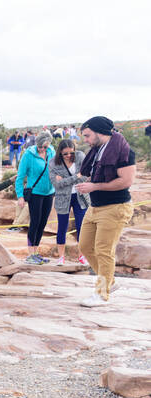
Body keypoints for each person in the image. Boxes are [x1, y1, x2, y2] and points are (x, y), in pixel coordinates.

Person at [75, 116, 136, 307]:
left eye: (87, 135)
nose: (85, 140)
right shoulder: (98, 150)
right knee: (85, 247)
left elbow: (126, 181)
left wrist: (95, 186)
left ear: (99, 131)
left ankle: (102, 294)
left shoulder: (124, 152)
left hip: (115, 208)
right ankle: (110, 281)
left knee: (104, 250)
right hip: (95, 207)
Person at [16, 130, 55, 264]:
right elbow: (20, 177)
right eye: (41, 146)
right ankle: (30, 254)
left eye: (45, 146)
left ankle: (36, 253)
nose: (43, 149)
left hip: (49, 192)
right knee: (35, 222)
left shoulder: (51, 152)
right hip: (35, 194)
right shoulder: (28, 155)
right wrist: (20, 196)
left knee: (43, 223)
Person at [49, 139, 89, 267]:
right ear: (60, 153)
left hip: (80, 196)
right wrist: (76, 176)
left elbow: (86, 175)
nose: (68, 156)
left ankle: (82, 256)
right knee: (62, 227)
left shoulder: (80, 157)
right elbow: (56, 184)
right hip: (62, 198)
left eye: (71, 153)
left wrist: (66, 179)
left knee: (81, 227)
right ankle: (61, 257)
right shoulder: (53, 163)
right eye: (65, 154)